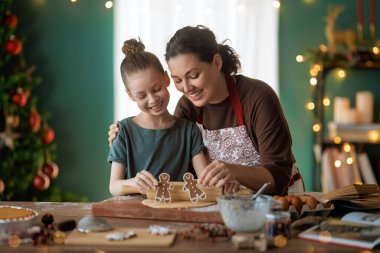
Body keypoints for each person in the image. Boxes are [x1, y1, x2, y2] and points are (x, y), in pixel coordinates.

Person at [109, 26, 304, 195]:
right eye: (178, 80)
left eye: (193, 75)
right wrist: (124, 135)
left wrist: (233, 171)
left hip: (279, 201)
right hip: (226, 202)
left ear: (217, 63)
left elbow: (278, 178)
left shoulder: (257, 97)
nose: (186, 88)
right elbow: (177, 159)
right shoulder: (187, 107)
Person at [108, 38, 212, 196]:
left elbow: (205, 181)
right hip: (136, 213)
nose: (152, 99)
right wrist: (135, 183)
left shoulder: (189, 130)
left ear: (166, 78)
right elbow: (114, 186)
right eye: (141, 95)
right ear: (130, 95)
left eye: (156, 89)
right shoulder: (123, 131)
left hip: (176, 211)